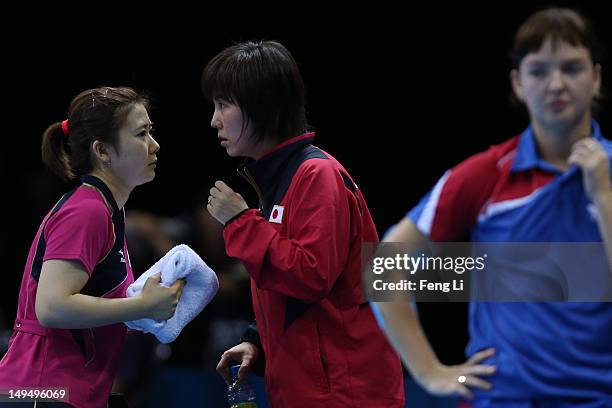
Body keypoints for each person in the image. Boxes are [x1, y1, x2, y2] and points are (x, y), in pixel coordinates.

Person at [371, 6, 612, 407]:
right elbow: (386, 265)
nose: (556, 84)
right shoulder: (486, 175)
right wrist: (430, 372)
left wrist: (603, 194)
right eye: (538, 71)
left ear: (597, 76)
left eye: (572, 68)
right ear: (518, 83)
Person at [202, 41, 405, 407]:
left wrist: (240, 221)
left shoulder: (317, 174)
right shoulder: (278, 180)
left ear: (261, 106)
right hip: (306, 392)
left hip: (347, 394)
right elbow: (292, 290)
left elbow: (311, 275)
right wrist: (257, 340)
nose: (214, 120)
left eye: (223, 105)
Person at [0, 86, 185, 408]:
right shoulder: (86, 211)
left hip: (71, 391)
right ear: (103, 151)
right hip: (40, 392)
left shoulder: (108, 209)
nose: (155, 145)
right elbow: (52, 307)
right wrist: (142, 306)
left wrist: (145, 313)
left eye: (151, 132)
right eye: (141, 134)